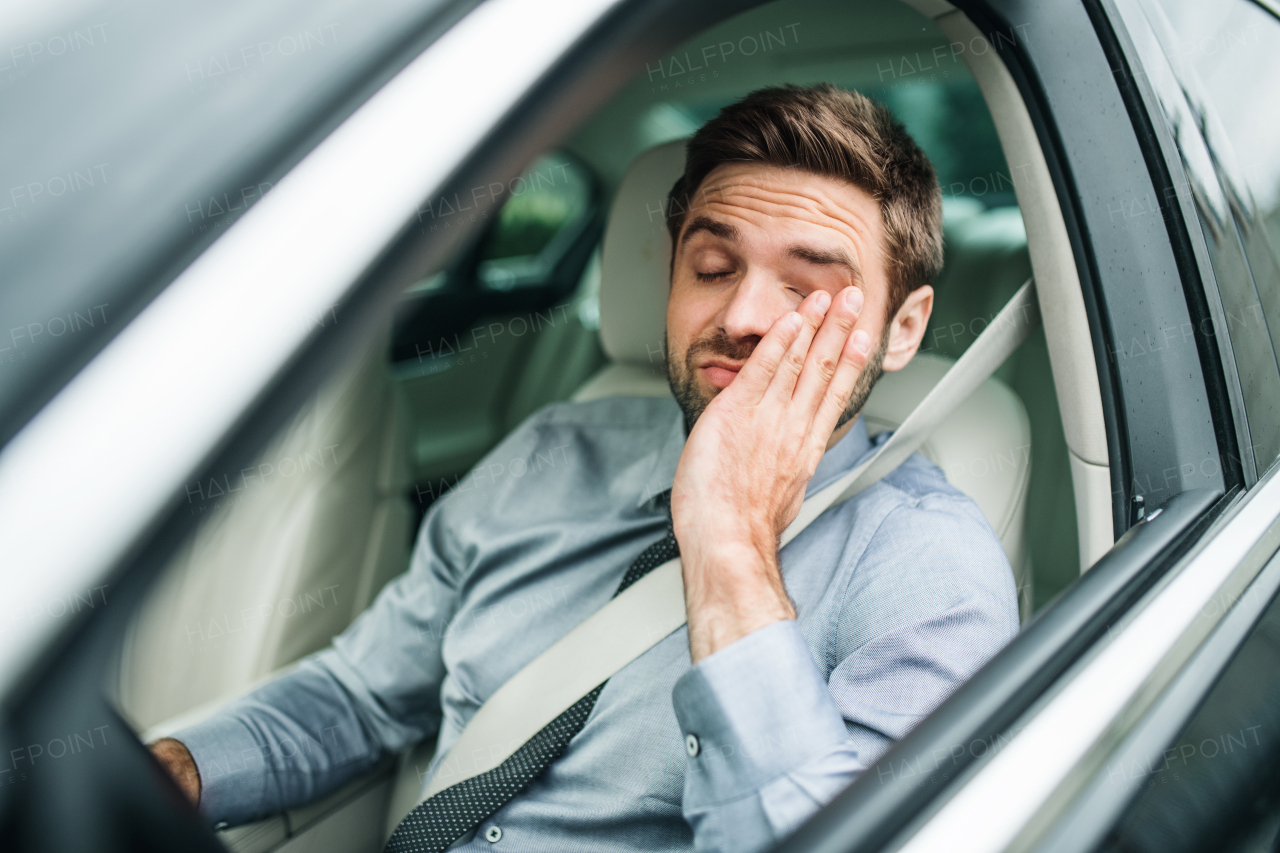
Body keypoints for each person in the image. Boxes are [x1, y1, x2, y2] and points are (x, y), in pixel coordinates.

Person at [150, 83, 1018, 853]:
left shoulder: (929, 569)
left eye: (805, 286)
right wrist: (180, 766)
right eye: (713, 266)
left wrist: (731, 549)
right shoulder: (553, 450)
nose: (744, 314)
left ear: (904, 329)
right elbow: (361, 692)